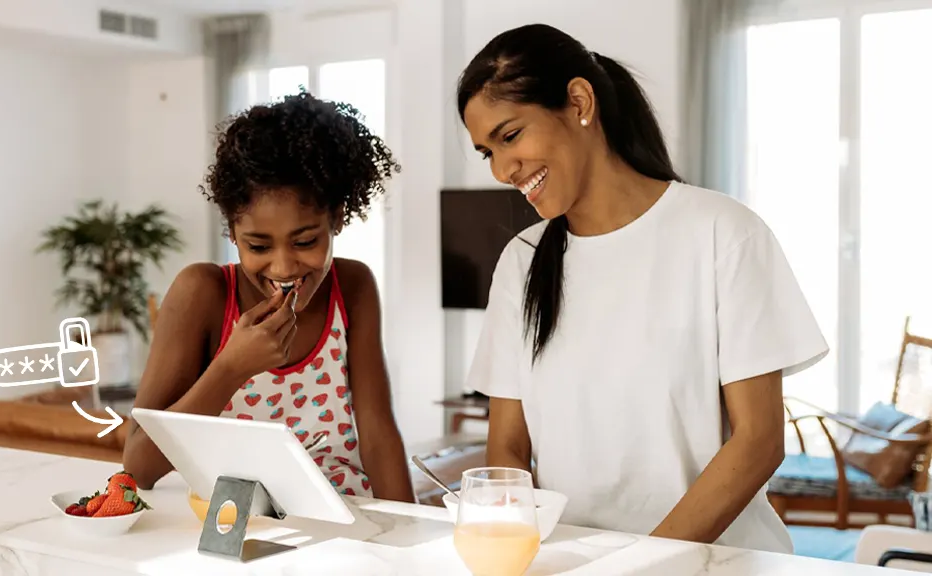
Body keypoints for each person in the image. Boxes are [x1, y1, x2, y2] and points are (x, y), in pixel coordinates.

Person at [457, 23, 828, 554]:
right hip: (577, 563)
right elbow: (508, 449)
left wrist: (644, 566)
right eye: (485, 152)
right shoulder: (522, 262)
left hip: (719, 564)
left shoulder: (724, 233)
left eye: (510, 136)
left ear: (579, 102)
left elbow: (759, 442)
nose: (501, 169)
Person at [123, 91, 416, 504]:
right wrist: (231, 368)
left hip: (349, 520)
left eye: (306, 241)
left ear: (337, 218)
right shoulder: (202, 294)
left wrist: (409, 545)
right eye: (258, 247)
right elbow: (138, 467)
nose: (283, 268)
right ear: (231, 230)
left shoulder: (352, 287)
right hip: (239, 530)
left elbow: (379, 435)